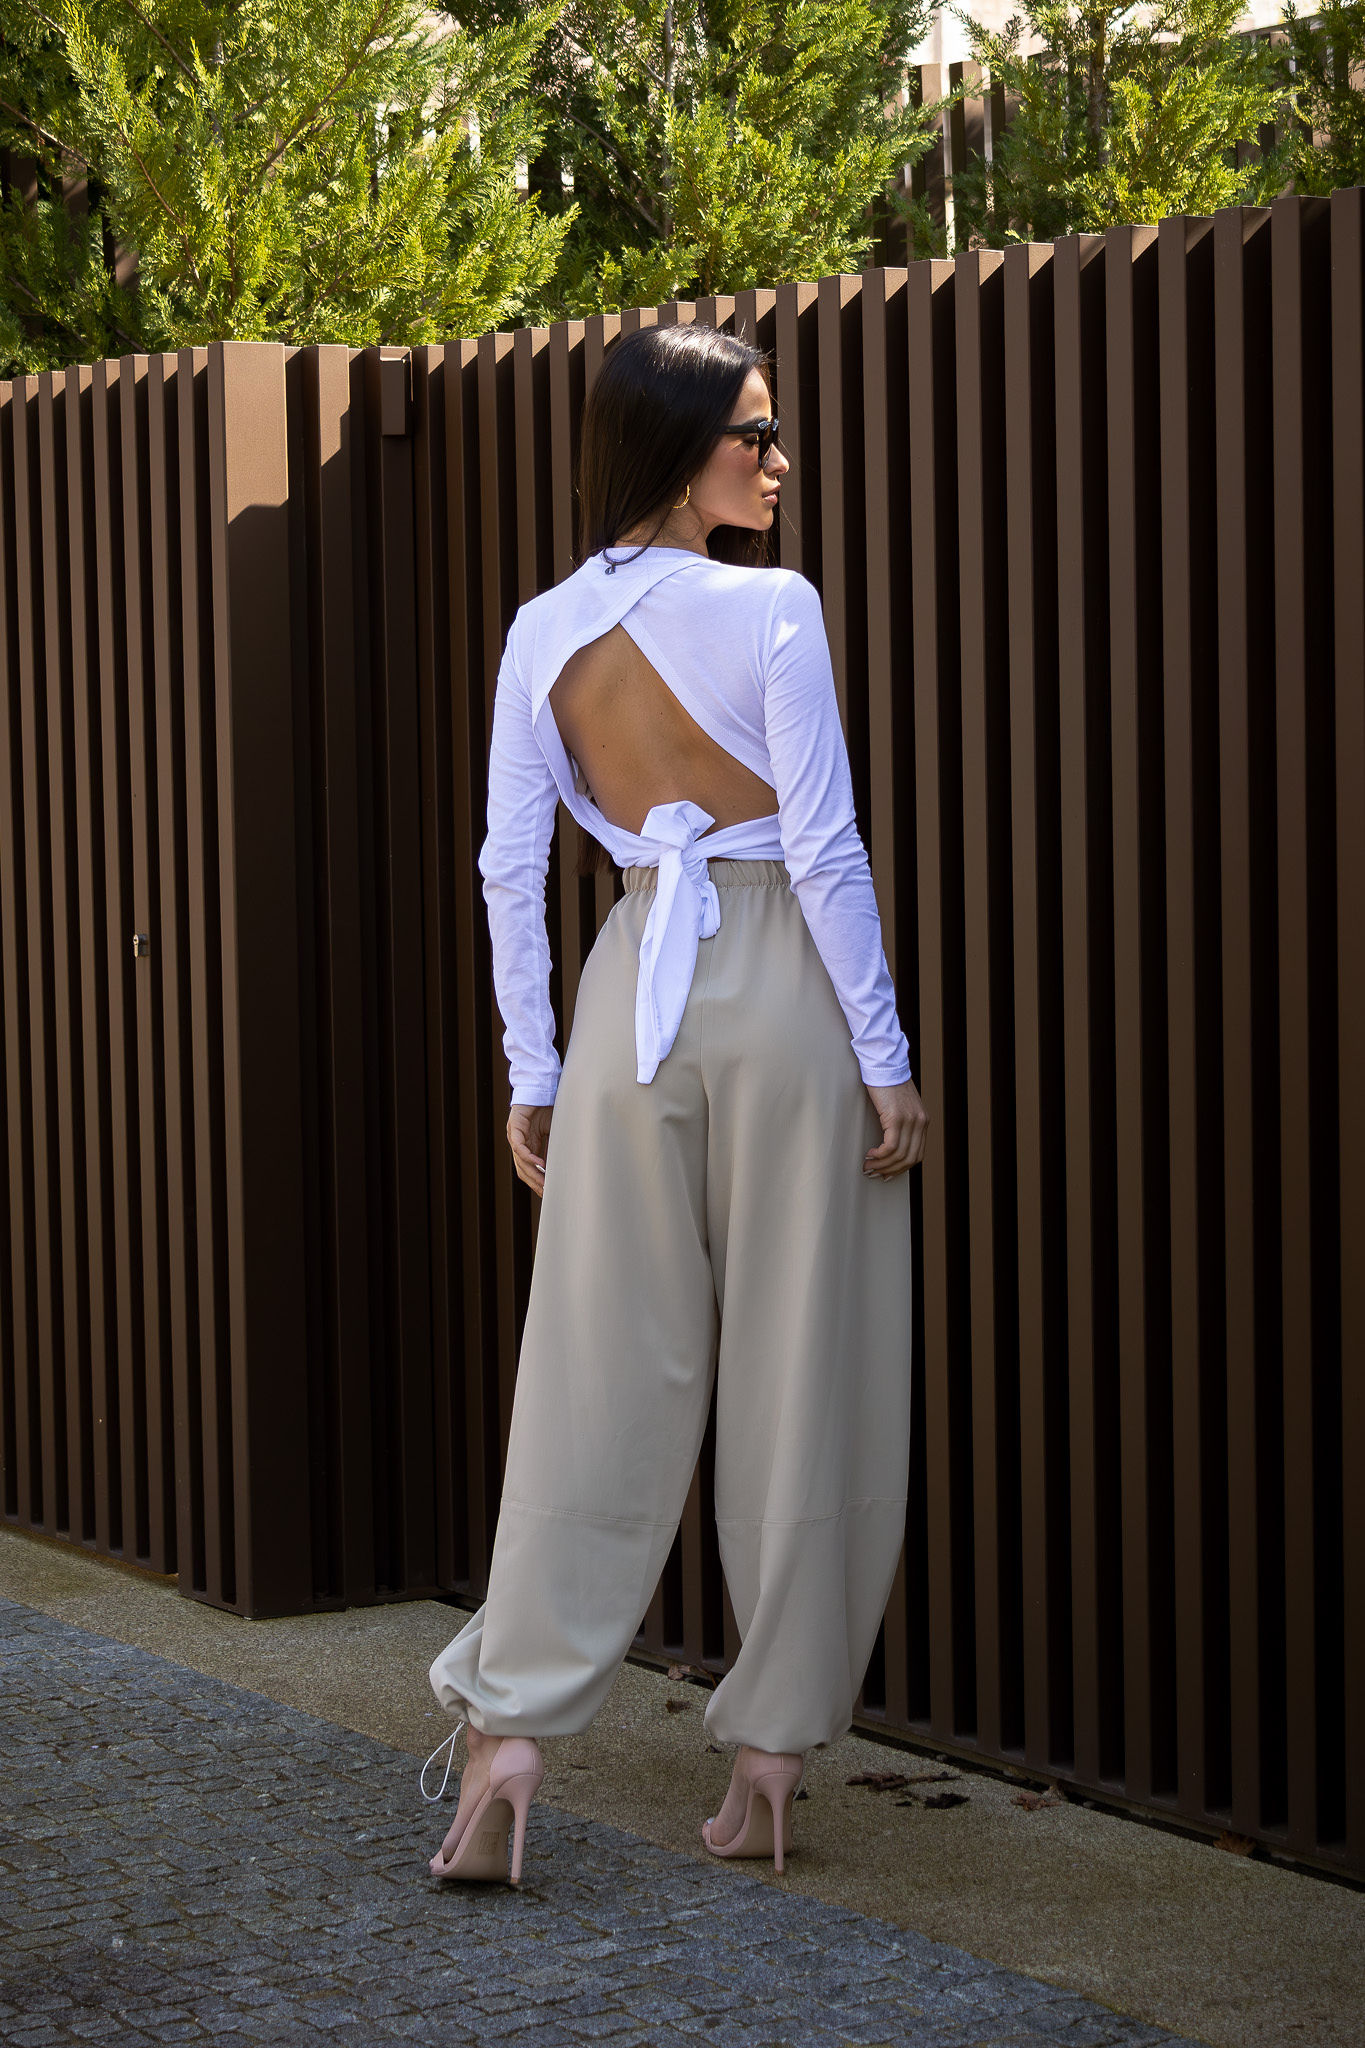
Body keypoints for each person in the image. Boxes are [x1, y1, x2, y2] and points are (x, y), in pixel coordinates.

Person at [422, 322, 929, 1886]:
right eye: (749, 433)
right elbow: (823, 846)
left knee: (590, 1368)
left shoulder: (539, 631)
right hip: (778, 985)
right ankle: (769, 1753)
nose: (776, 462)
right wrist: (886, 1056)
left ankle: (509, 1734)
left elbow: (510, 867)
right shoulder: (773, 607)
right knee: (807, 1362)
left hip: (629, 985)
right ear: (671, 443)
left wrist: (534, 1072)